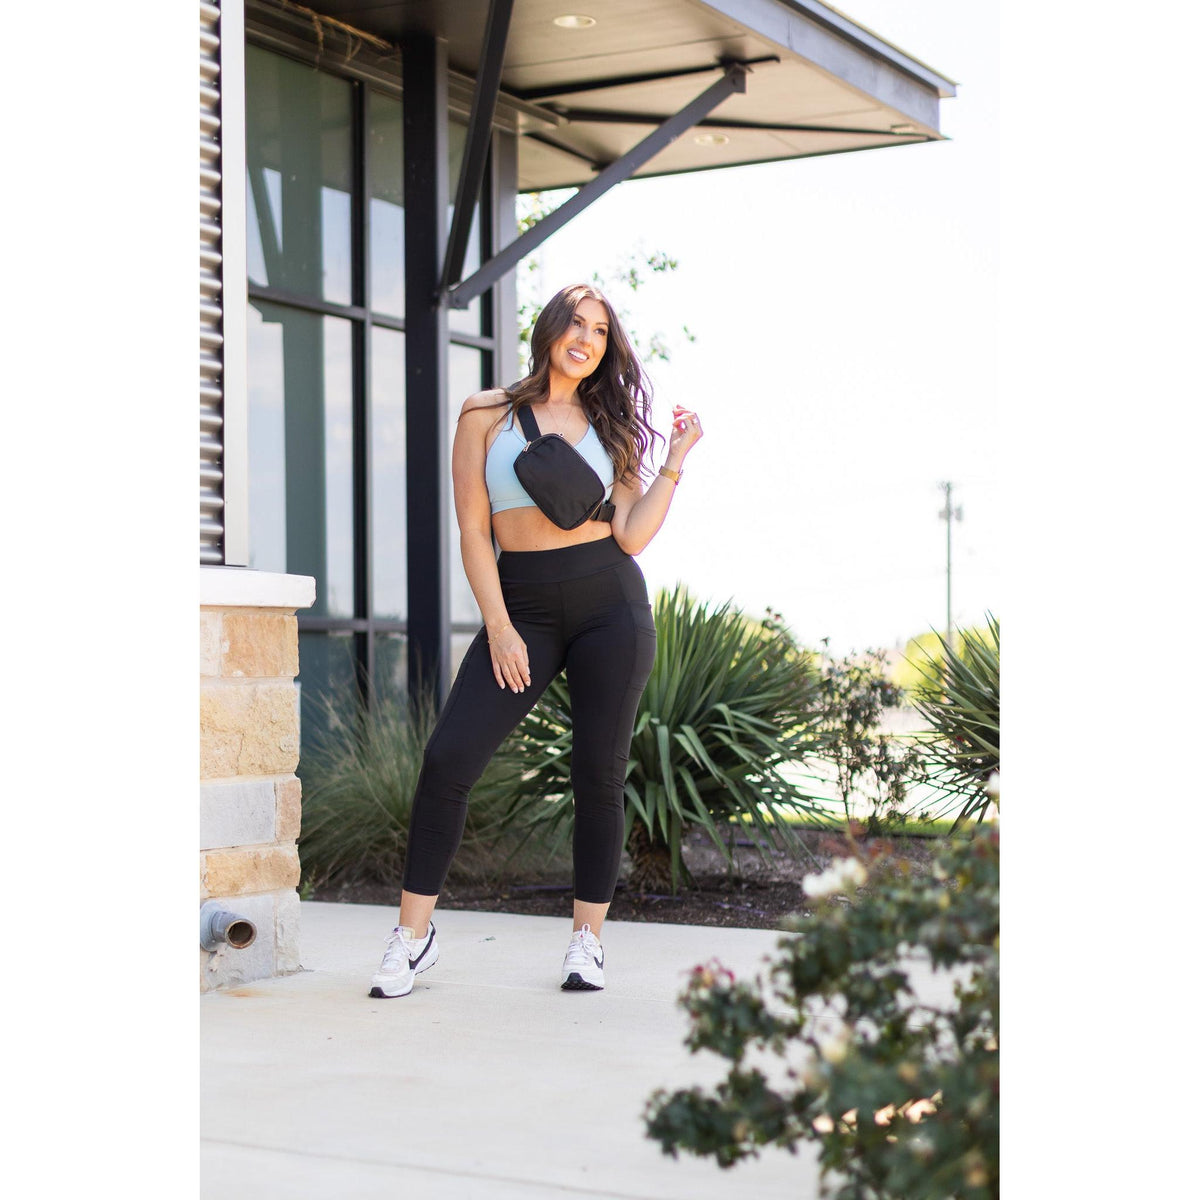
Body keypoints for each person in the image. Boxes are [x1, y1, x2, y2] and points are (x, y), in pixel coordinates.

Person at [369, 282, 703, 999]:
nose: (586, 339)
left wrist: (675, 457)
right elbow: (473, 529)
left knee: (597, 773)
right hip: (520, 605)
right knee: (449, 757)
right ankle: (412, 938)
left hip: (609, 604)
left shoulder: (613, 425)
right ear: (550, 329)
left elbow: (631, 534)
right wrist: (498, 626)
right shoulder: (485, 413)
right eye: (576, 323)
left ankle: (587, 942)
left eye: (601, 332)